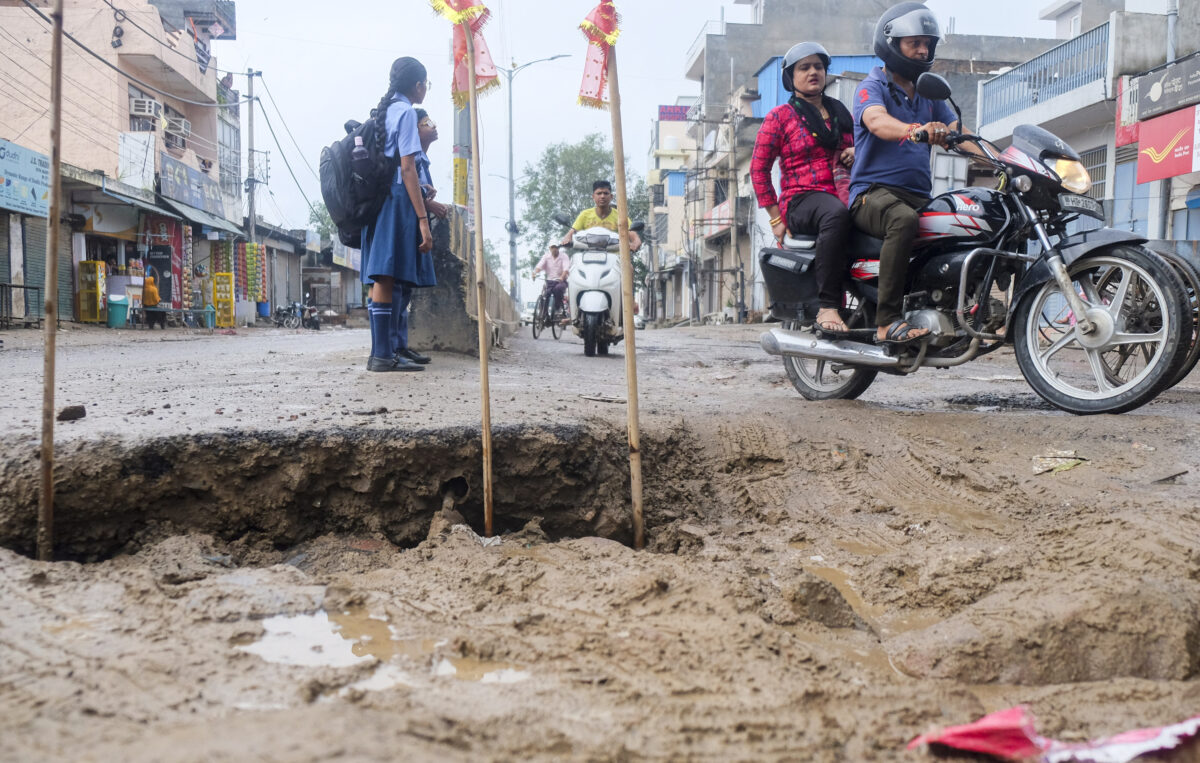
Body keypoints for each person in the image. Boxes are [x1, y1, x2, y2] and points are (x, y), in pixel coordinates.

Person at [848, 1, 956, 347]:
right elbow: (877, 121)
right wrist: (917, 130)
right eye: (915, 43)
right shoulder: (871, 86)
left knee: (962, 220)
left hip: (917, 195)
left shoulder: (927, 92)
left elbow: (958, 133)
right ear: (892, 44)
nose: (924, 50)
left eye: (928, 44)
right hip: (872, 194)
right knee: (903, 220)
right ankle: (887, 322)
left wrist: (1006, 160)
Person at [751, 41, 855, 335]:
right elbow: (758, 169)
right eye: (804, 67)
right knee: (835, 214)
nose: (813, 72)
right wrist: (775, 219)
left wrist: (855, 152)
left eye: (818, 66)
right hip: (801, 199)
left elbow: (860, 149)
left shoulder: (840, 113)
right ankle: (827, 305)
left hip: (843, 194)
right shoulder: (780, 117)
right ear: (790, 77)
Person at [360, 57, 434, 372]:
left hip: (376, 200)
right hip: (395, 200)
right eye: (426, 84)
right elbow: (407, 168)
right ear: (418, 86)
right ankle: (382, 356)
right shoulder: (405, 113)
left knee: (383, 275)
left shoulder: (384, 110)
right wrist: (422, 219)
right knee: (388, 276)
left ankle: (383, 354)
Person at [388, 108, 449, 367]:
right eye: (426, 123)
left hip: (413, 226)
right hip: (405, 225)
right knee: (397, 289)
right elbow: (406, 187)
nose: (433, 127)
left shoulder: (421, 158)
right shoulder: (409, 158)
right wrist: (427, 206)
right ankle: (392, 348)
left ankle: (401, 345)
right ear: (415, 130)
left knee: (405, 292)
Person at [561, 180, 642, 252]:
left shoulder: (621, 216)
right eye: (599, 193)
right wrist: (567, 238)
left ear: (611, 196)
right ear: (593, 196)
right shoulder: (584, 215)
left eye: (606, 193)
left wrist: (636, 242)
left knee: (630, 268)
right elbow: (571, 232)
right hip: (587, 258)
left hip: (615, 259)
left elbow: (632, 234)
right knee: (572, 267)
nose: (602, 196)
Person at [532, 243, 570, 322]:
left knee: (558, 289)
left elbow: (566, 269)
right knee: (546, 294)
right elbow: (540, 266)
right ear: (550, 248)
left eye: (556, 247)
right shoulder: (546, 256)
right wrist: (535, 273)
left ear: (558, 248)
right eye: (552, 247)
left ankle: (557, 308)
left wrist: (561, 278)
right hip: (550, 280)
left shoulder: (564, 256)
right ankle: (543, 313)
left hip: (561, 280)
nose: (554, 249)